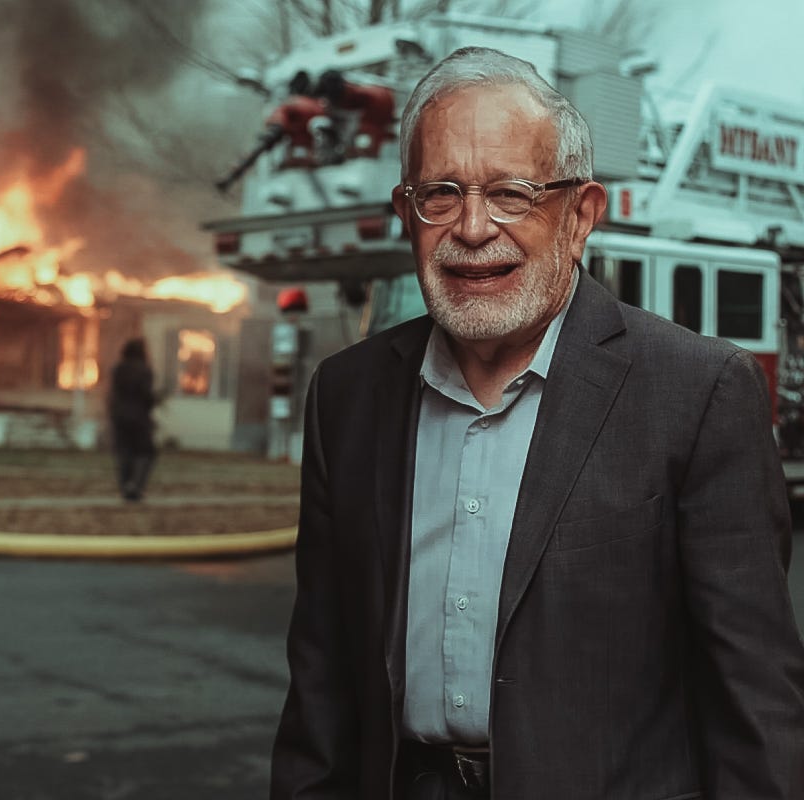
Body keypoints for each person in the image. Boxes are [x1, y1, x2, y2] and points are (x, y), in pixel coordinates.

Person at [270, 46, 804, 800]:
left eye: (513, 194)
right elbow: (320, 681)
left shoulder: (698, 392)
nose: (474, 228)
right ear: (406, 216)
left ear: (580, 215)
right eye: (441, 194)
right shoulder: (346, 397)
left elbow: (755, 702)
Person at [108, 338, 157, 501]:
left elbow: (113, 395)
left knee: (124, 453)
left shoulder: (118, 370)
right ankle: (136, 486)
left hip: (119, 417)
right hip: (139, 418)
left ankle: (125, 487)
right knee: (145, 453)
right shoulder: (144, 370)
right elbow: (146, 395)